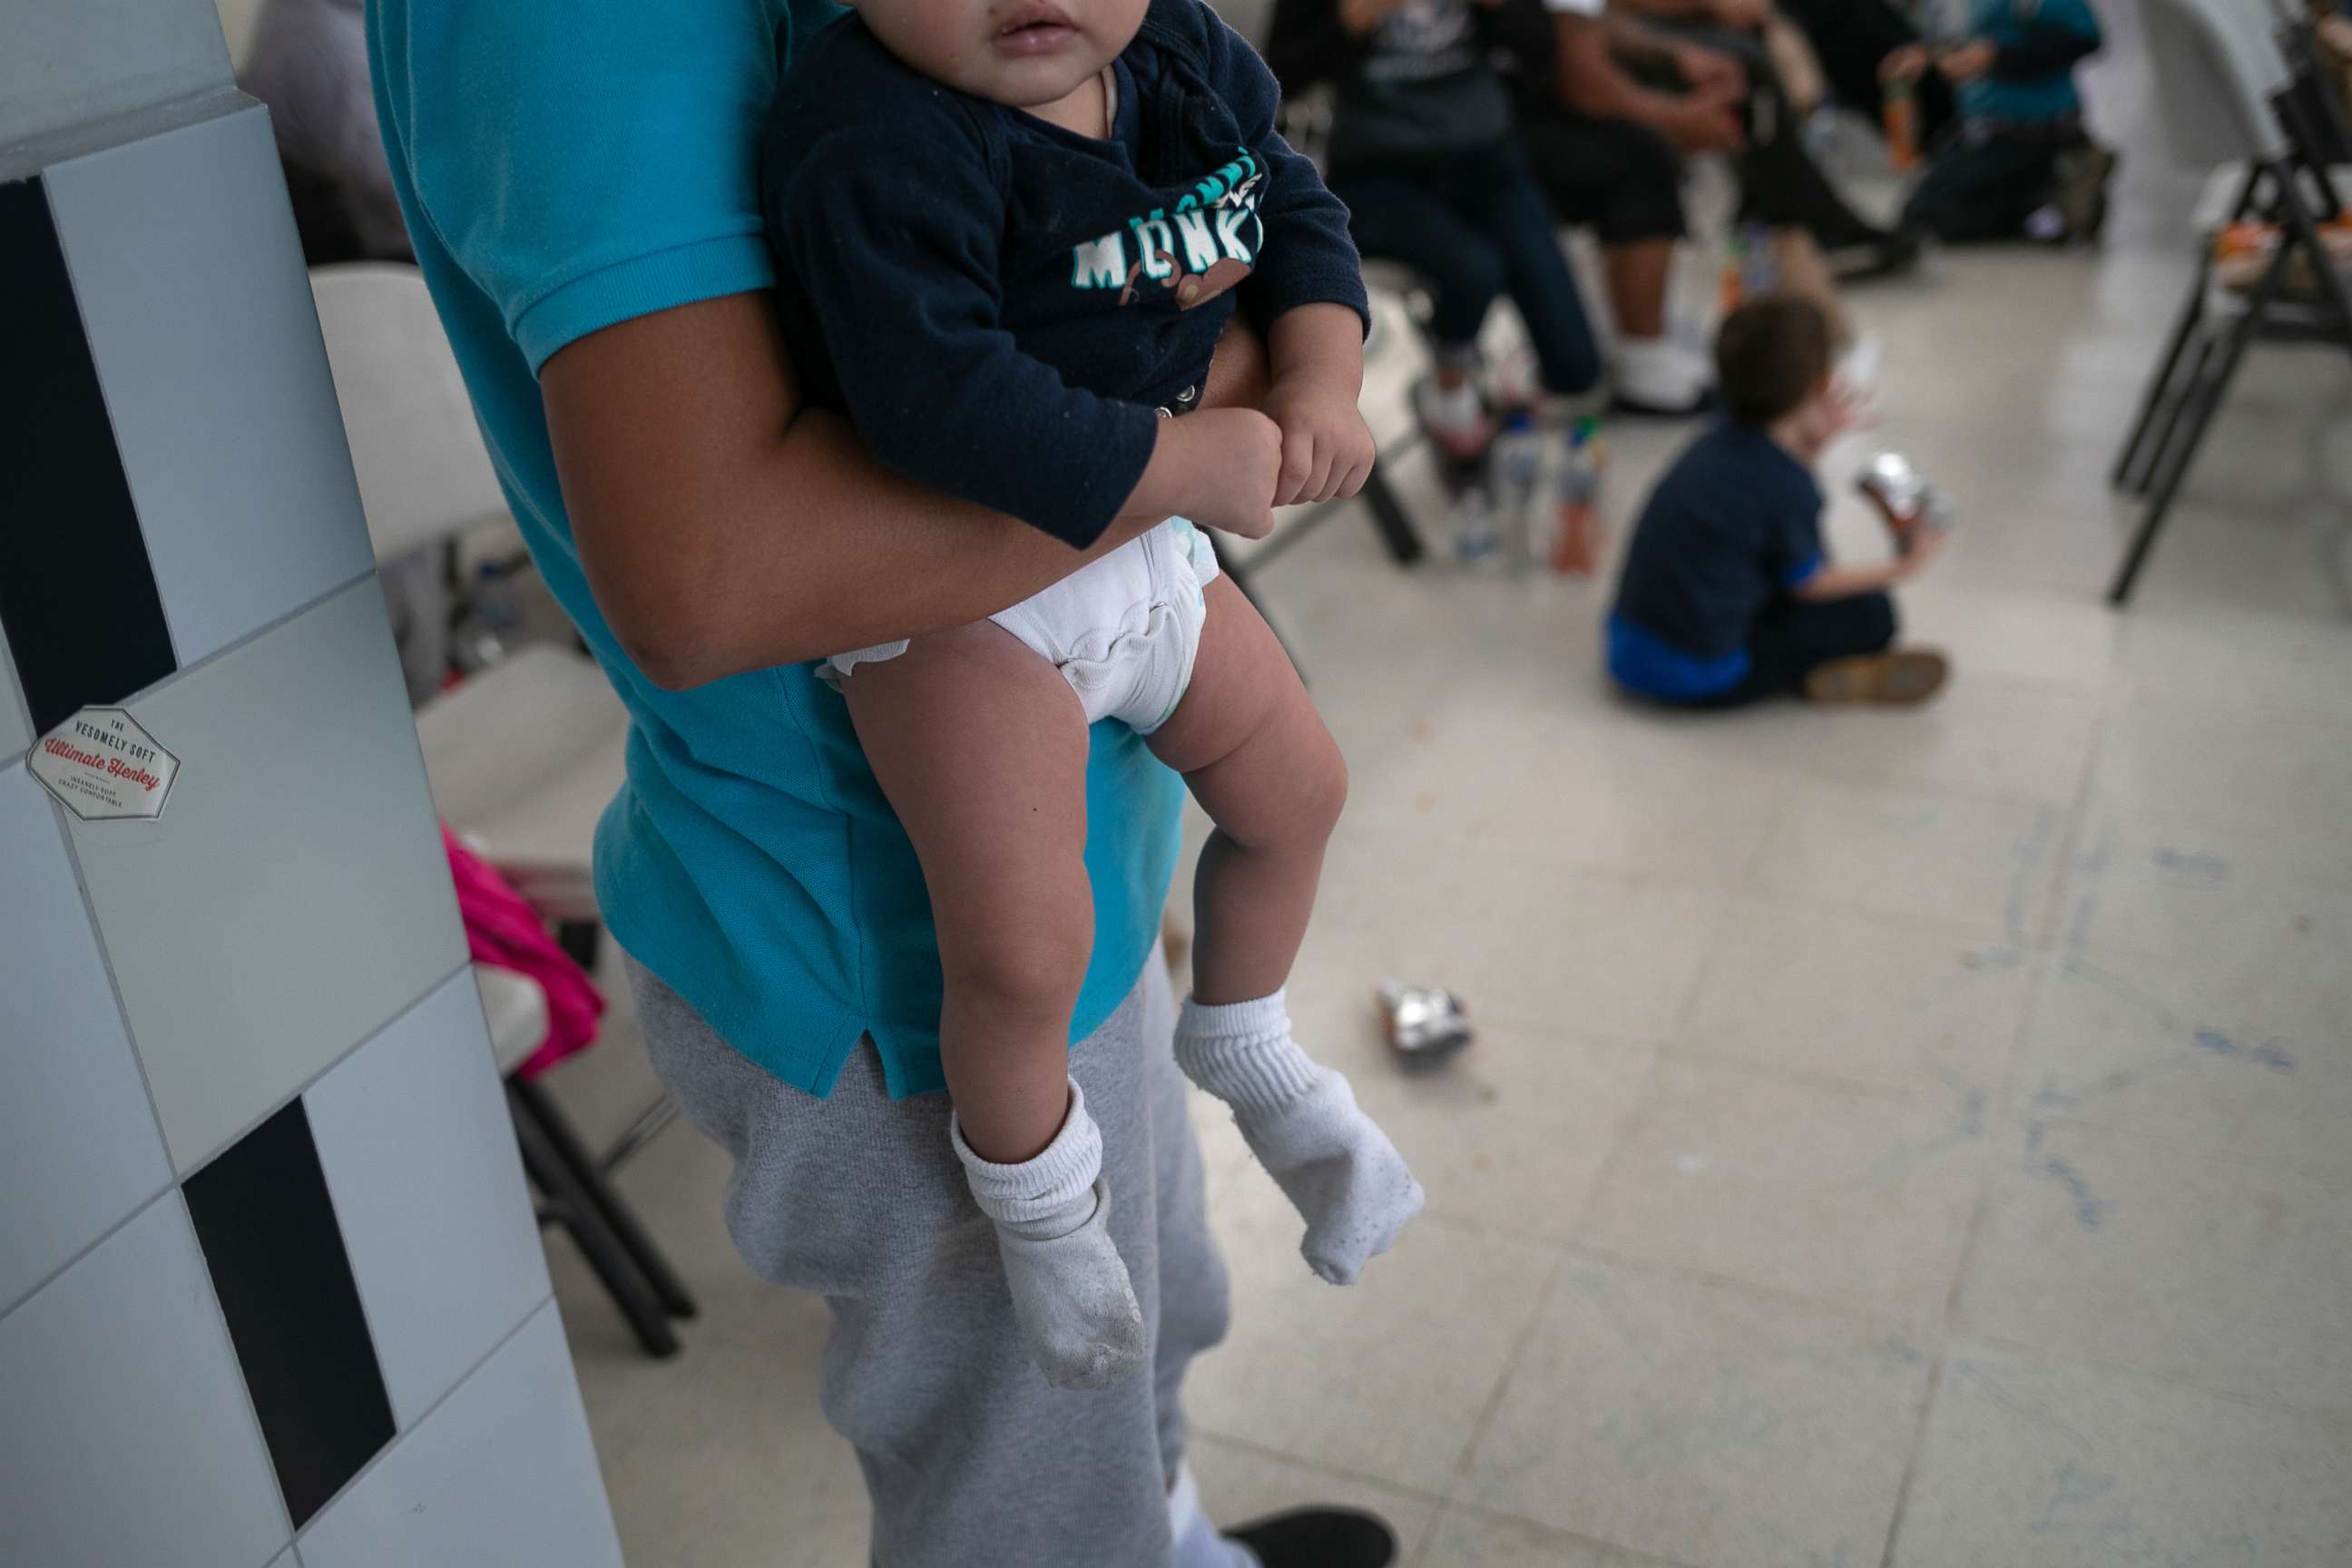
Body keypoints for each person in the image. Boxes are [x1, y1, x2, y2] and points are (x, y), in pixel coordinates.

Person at [366, 0, 1406, 1561]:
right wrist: (1194, 426)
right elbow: (723, 563)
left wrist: (1257, 370)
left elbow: (1239, 273)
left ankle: (1170, 1527)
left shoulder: (1124, 46)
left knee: (1152, 1329)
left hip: (1099, 790)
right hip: (890, 920)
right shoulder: (719, 70)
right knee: (1028, 1479)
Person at [764, 0, 1422, 1391]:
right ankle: (1042, 1207)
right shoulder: (871, 130)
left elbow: (1293, 204)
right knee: (1022, 946)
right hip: (956, 608)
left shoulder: (1175, 55)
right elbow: (930, 398)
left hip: (1139, 555)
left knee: (1301, 793)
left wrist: (1319, 374)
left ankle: (1248, 1047)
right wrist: (1187, 465)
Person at [1266, 0, 1617, 450]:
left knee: (1576, 374)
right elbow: (1277, 76)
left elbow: (1541, 51)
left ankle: (1487, 382)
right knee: (1472, 270)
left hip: (1486, 155)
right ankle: (1450, 383)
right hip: (1377, 167)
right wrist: (1350, 23)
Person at [1606, 293, 1950, 707]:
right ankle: (1807, 677)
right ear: (1821, 384)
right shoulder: (1785, 484)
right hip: (1696, 677)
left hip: (1627, 647)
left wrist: (1812, 443)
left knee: (1757, 564)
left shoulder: (1715, 436)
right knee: (1872, 614)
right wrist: (1904, 566)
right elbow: (1809, 583)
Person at [1890, 0, 2113, 244]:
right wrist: (1928, 58)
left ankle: (2059, 190)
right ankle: (2045, 201)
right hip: (1982, 128)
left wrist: (1999, 57)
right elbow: (1974, 40)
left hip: (2032, 131)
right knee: (1928, 212)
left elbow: (2084, 39)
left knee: (1932, 214)